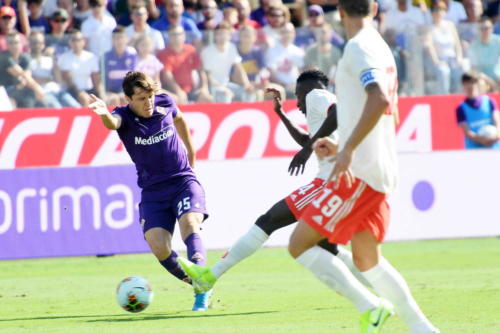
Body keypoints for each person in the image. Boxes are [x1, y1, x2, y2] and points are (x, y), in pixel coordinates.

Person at [177, 70, 394, 331]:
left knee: (268, 220)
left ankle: (210, 276)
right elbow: (308, 140)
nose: (298, 105)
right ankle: (383, 295)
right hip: (336, 181)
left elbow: (337, 115)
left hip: (327, 182)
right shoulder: (318, 104)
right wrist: (280, 115)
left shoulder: (317, 95)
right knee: (327, 249)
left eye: (297, 98)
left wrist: (305, 150)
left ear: (305, 90)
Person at [287, 1, 440, 332]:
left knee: (300, 244)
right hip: (374, 166)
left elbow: (380, 99)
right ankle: (423, 329)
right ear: (374, 7)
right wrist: (345, 145)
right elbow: (390, 111)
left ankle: (370, 307)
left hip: (360, 173)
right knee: (366, 258)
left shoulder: (358, 48)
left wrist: (349, 150)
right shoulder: (381, 46)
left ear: (339, 11)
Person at [89, 70, 212, 311]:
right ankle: (200, 282)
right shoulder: (123, 116)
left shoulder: (165, 102)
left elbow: (180, 120)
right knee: (159, 246)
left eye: (150, 96)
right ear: (128, 100)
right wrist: (104, 114)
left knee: (190, 224)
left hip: (182, 181)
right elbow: (112, 124)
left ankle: (202, 288)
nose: (149, 103)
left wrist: (191, 152)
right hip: (153, 191)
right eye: (141, 99)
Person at [456, 71, 500, 148]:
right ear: (463, 85)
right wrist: (482, 140)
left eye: (473, 82)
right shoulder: (460, 108)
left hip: (494, 147)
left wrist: (496, 136)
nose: (470, 86)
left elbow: (498, 122)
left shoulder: (489, 101)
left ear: (477, 84)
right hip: (474, 151)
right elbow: (467, 132)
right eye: (467, 83)